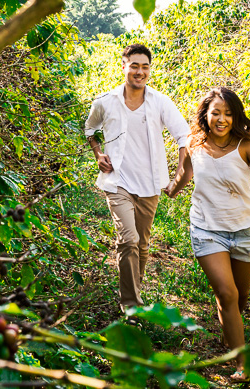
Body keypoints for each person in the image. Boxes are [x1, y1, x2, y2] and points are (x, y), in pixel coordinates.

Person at [165, 87, 250, 383]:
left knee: (239, 297)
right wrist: (171, 188)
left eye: (228, 114)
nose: (221, 119)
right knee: (227, 293)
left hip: (244, 230)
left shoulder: (245, 145)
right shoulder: (193, 143)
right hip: (207, 228)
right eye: (216, 113)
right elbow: (184, 174)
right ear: (205, 115)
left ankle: (229, 330)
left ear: (235, 117)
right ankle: (241, 363)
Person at [84, 43, 189, 314]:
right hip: (117, 182)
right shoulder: (105, 102)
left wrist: (179, 174)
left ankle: (134, 288)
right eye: (134, 66)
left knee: (141, 245)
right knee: (128, 240)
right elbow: (90, 129)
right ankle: (131, 306)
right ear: (123, 67)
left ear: (149, 70)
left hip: (150, 184)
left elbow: (184, 136)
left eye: (145, 67)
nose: (139, 72)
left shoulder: (160, 102)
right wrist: (98, 153)